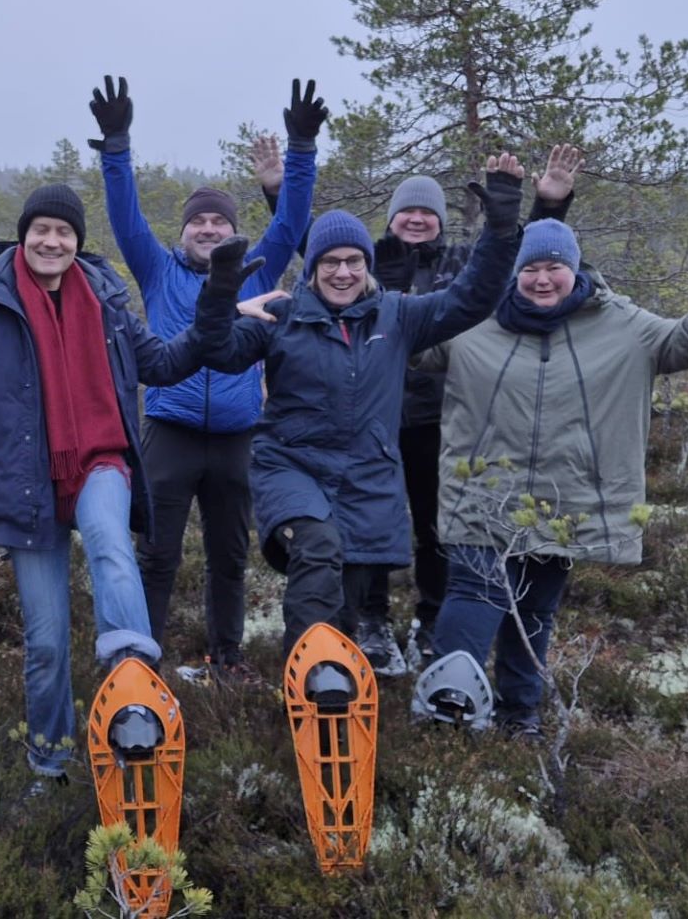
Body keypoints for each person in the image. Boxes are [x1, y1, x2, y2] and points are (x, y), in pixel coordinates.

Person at [0, 183, 252, 790]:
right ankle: (49, 763)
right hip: (24, 486)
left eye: (64, 232)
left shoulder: (105, 298)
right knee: (47, 642)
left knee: (109, 536)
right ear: (24, 235)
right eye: (42, 230)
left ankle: (133, 682)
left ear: (77, 242)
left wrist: (215, 299)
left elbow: (162, 363)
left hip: (99, 460)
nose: (52, 241)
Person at [416, 215, 688, 740]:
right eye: (531, 268)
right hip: (483, 494)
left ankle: (521, 716)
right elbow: (407, 336)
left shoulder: (621, 323)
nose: (542, 279)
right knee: (476, 593)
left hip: (567, 502)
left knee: (534, 611)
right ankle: (448, 712)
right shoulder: (474, 321)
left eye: (555, 267)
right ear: (514, 273)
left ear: (576, 267)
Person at [204, 157, 528, 661]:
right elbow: (218, 352)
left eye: (354, 261)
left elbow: (472, 297)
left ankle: (336, 676)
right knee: (317, 548)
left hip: (367, 474)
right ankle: (310, 677)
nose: (343, 271)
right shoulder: (281, 316)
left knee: (349, 600)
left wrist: (502, 226)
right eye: (329, 262)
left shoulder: (398, 316)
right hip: (292, 465)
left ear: (367, 266)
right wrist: (221, 299)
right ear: (312, 269)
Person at [91, 76, 319, 683]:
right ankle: (146, 659)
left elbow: (293, 221)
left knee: (230, 557)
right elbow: (125, 213)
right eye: (201, 223)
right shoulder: (156, 269)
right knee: (158, 555)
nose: (211, 230)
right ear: (185, 231)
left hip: (238, 434)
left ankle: (228, 658)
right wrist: (117, 145)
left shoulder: (257, 267)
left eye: (221, 222)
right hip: (169, 428)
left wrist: (301, 153)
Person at [347, 146, 585, 677]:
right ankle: (372, 621)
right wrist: (279, 189)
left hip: (442, 419)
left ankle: (431, 620)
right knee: (370, 522)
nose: (417, 218)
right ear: (391, 217)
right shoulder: (364, 259)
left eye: (428, 211)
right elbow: (313, 253)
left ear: (440, 220)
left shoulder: (460, 262)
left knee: (437, 526)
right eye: (408, 210)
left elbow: (510, 261)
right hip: (371, 418)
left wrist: (549, 206)